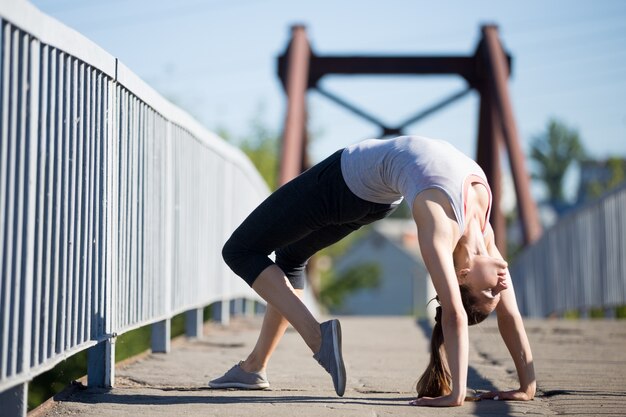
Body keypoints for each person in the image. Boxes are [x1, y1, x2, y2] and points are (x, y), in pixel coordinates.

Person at [209, 135, 536, 406]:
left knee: (240, 250)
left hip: (344, 181)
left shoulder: (440, 226)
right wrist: (526, 386)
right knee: (291, 259)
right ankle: (253, 368)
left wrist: (455, 394)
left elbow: (454, 314)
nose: (502, 286)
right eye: (497, 292)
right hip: (374, 200)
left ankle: (316, 337)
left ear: (461, 276)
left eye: (490, 292)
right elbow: (509, 316)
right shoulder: (483, 233)